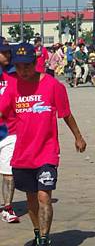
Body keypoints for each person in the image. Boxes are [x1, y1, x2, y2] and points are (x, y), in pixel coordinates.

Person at [0, 42, 86, 245]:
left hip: (47, 152)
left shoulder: (53, 85)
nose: (23, 71)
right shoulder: (13, 86)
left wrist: (78, 137)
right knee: (31, 200)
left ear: (36, 62)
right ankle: (38, 232)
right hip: (22, 154)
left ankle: (45, 239)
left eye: (27, 66)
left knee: (44, 197)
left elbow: (66, 114)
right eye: (19, 66)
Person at [0, 37, 19, 223]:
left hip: (10, 132)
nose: (6, 55)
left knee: (8, 172)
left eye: (8, 52)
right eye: (2, 52)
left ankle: (7, 207)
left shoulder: (15, 74)